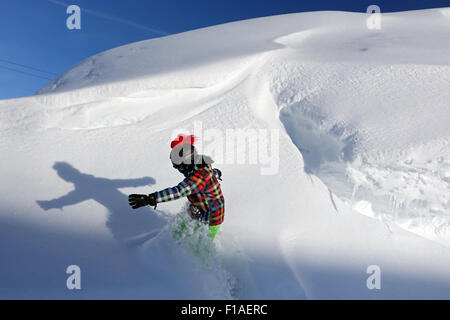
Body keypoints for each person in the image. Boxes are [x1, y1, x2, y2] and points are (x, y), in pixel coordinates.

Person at [128, 134, 225, 240]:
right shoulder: (198, 166)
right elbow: (210, 175)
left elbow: (180, 191)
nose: (178, 169)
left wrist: (151, 198)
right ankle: (175, 240)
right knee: (181, 230)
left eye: (179, 166)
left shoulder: (199, 176)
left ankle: (199, 253)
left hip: (212, 216)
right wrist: (216, 173)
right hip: (199, 207)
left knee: (200, 242)